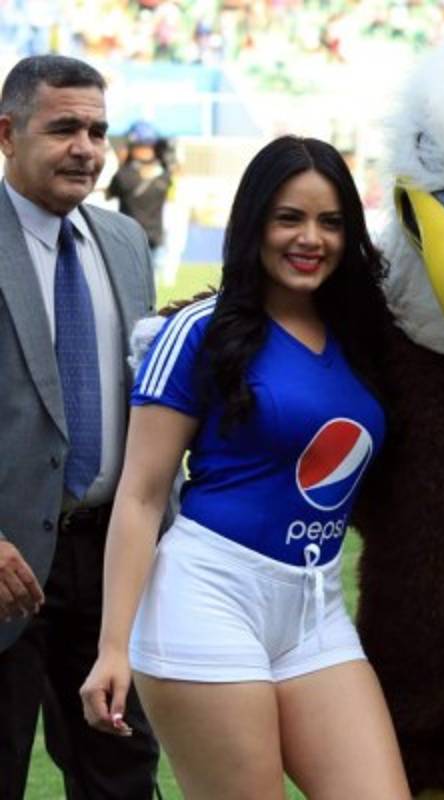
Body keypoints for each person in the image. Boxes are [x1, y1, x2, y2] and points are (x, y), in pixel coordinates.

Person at [79, 135, 412, 799]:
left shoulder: (366, 336)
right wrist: (112, 646)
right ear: (254, 222)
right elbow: (142, 496)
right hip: (207, 598)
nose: (310, 238)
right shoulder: (199, 330)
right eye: (288, 217)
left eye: (330, 221)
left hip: (315, 607)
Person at [0, 54, 161, 800]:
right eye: (65, 128)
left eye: (97, 130)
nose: (88, 149)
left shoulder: (125, 244)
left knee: (121, 775)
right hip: (5, 568)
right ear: (7, 133)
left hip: (111, 567)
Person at [106, 120, 171, 273]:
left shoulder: (125, 175)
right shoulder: (165, 176)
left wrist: (122, 163)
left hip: (127, 241)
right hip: (155, 240)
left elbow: (109, 193)